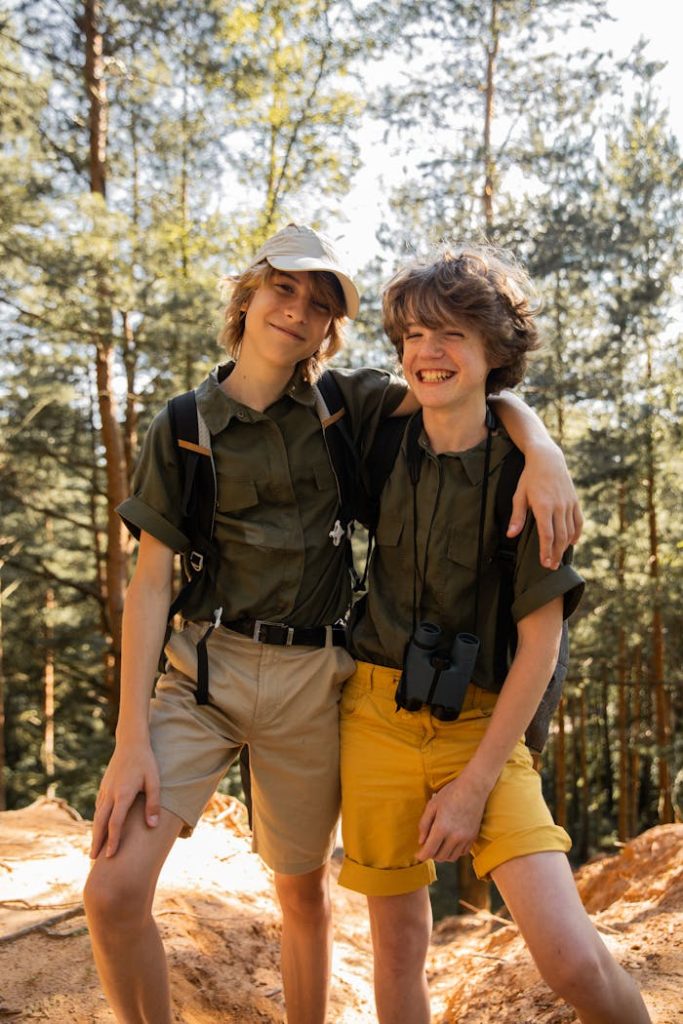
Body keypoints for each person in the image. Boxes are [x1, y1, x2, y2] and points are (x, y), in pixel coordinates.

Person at [83, 225, 582, 1024]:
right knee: (110, 891)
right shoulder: (181, 425)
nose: (297, 311)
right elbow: (148, 587)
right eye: (284, 288)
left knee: (304, 896)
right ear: (248, 295)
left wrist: (541, 445)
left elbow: (468, 389)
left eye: (318, 305)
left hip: (313, 681)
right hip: (200, 678)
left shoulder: (346, 408)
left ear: (328, 331)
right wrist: (129, 739)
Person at [339, 246, 652, 1024]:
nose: (426, 352)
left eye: (449, 334)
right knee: (397, 952)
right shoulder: (379, 428)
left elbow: (540, 647)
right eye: (410, 334)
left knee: (572, 958)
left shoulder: (535, 485)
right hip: (372, 716)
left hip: (486, 728)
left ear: (494, 351)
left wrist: (474, 784)